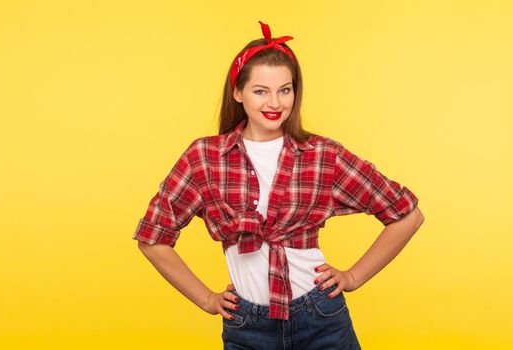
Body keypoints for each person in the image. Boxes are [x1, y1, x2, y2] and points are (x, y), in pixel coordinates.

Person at [132, 20, 425, 350]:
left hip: (321, 319)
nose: (275, 103)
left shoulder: (322, 155)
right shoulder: (205, 158)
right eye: (261, 91)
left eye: (285, 90)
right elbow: (153, 237)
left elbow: (407, 215)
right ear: (238, 92)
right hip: (247, 326)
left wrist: (353, 277)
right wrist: (206, 299)